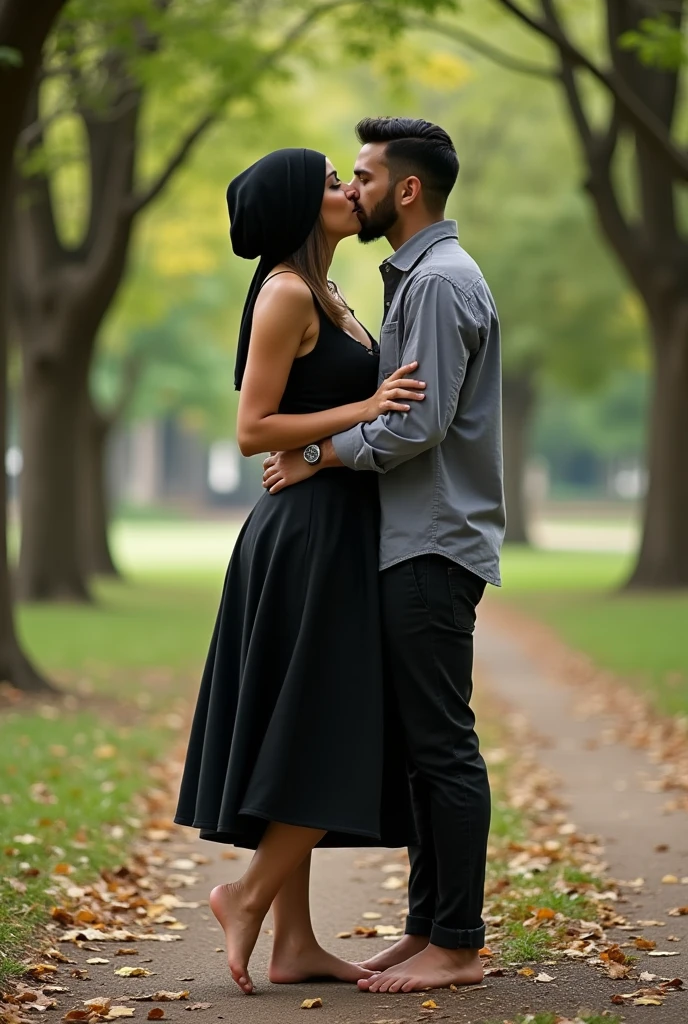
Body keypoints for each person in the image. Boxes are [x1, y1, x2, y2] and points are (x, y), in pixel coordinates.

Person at [262, 118, 506, 994]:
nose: (350, 189)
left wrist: (320, 454)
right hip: (411, 537)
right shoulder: (414, 278)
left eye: (361, 176)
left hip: (432, 539)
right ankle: (429, 928)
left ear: (405, 190)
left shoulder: (438, 284)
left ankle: (460, 945)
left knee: (443, 748)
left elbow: (416, 424)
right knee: (420, 749)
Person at [174, 147, 423, 996]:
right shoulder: (285, 292)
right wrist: (365, 406)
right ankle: (244, 899)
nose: (349, 191)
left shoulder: (328, 291)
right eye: (329, 183)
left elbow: (306, 432)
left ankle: (297, 943)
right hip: (308, 538)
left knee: (309, 719)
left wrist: (327, 443)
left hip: (334, 523)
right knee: (333, 721)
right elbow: (252, 428)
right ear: (296, 206)